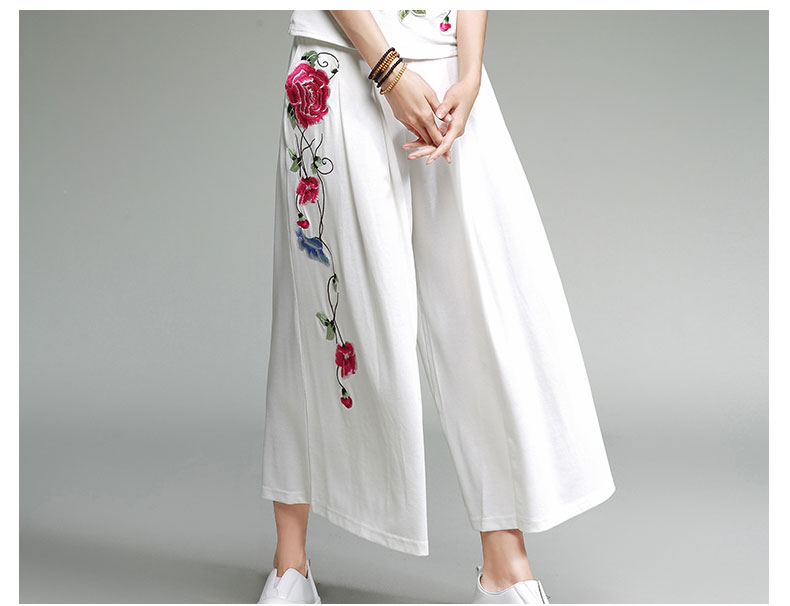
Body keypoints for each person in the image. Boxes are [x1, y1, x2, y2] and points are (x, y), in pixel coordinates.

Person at [258, 10, 616, 604]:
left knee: (482, 314)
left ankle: (506, 569)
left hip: (447, 69)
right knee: (319, 314)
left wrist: (470, 74)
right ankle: (289, 562)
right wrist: (389, 71)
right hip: (338, 62)